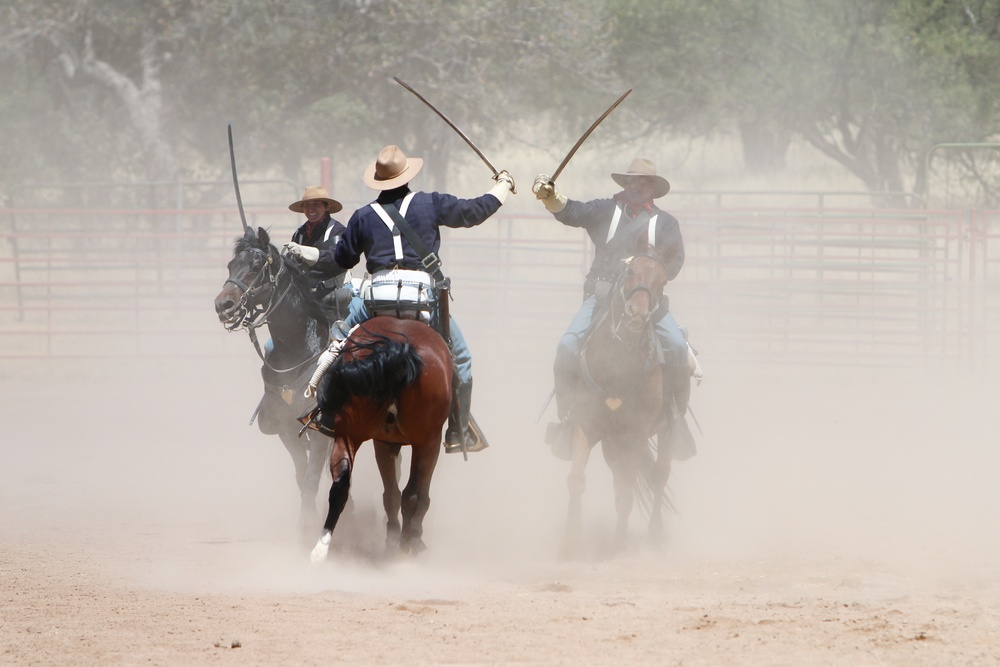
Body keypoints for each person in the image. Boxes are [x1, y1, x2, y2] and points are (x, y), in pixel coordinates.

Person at [334, 144, 515, 453]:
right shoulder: (430, 203)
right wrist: (502, 186)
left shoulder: (363, 215)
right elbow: (473, 212)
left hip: (376, 298)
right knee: (462, 359)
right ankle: (458, 429)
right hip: (422, 298)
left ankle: (327, 415)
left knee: (336, 346)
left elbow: (343, 259)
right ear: (407, 176)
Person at [532, 157, 696, 460]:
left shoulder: (666, 223)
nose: (636, 186)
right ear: (626, 184)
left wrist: (650, 272)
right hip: (603, 294)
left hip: (648, 298)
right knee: (567, 345)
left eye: (642, 182)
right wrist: (551, 197)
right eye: (631, 181)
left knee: (674, 346)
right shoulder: (606, 210)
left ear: (652, 189)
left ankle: (675, 417)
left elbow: (675, 261)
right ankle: (568, 416)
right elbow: (573, 212)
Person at [281, 185, 359, 325]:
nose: (311, 209)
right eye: (307, 205)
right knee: (271, 346)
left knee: (349, 334)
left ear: (327, 206)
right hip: (308, 296)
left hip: (338, 293)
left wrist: (305, 252)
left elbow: (335, 259)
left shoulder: (338, 230)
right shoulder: (300, 233)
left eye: (316, 204)